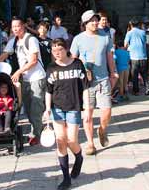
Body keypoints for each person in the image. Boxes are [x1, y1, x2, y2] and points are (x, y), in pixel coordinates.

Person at [0, 17, 48, 145]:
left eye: (18, 26)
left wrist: (18, 72)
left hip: (36, 77)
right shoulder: (14, 41)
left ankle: (37, 135)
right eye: (13, 27)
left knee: (35, 108)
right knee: (26, 107)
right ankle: (37, 129)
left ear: (24, 26)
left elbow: (33, 60)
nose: (15, 29)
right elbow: (3, 56)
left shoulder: (31, 39)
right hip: (24, 79)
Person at [70, 10, 117, 155]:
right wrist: (80, 66)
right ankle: (90, 144)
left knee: (107, 112)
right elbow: (73, 58)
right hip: (86, 82)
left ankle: (102, 129)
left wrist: (113, 72)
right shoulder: (78, 39)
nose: (95, 23)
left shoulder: (105, 36)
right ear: (85, 24)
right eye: (92, 21)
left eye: (96, 20)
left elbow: (109, 55)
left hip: (103, 79)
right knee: (88, 114)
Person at [44, 38, 89, 190]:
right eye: (54, 50)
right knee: (60, 140)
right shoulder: (51, 68)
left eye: (60, 50)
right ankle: (66, 178)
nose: (57, 53)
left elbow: (85, 88)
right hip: (57, 108)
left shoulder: (77, 64)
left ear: (66, 49)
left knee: (71, 140)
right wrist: (47, 108)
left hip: (74, 107)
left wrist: (87, 107)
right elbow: (48, 91)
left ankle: (79, 156)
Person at [124, 21, 149, 95]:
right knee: (144, 74)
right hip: (143, 56)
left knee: (134, 75)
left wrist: (128, 48)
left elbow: (125, 44)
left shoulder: (129, 33)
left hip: (133, 57)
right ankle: (147, 88)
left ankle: (136, 91)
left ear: (131, 24)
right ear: (139, 24)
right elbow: (145, 42)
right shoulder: (143, 32)